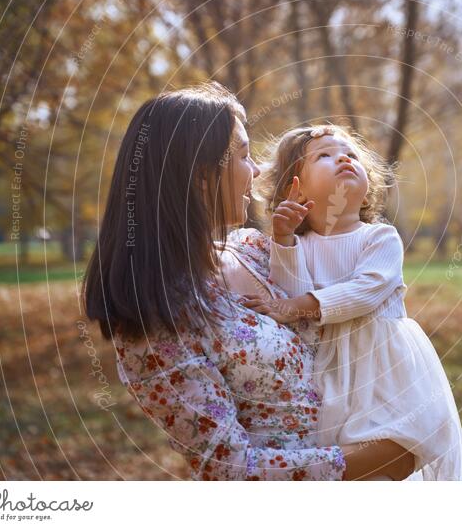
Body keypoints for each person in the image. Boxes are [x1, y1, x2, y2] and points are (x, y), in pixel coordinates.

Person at [83, 84, 415, 480]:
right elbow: (230, 471)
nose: (256, 171)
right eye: (243, 155)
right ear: (200, 174)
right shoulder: (156, 320)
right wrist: (377, 459)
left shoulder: (256, 249)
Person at [243, 124, 462, 480]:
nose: (344, 158)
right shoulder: (298, 246)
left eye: (350, 154)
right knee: (342, 460)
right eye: (324, 155)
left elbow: (367, 290)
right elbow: (289, 291)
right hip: (327, 372)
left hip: (382, 372)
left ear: (367, 193)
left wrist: (297, 305)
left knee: (383, 461)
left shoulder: (380, 238)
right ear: (294, 187)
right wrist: (284, 239)